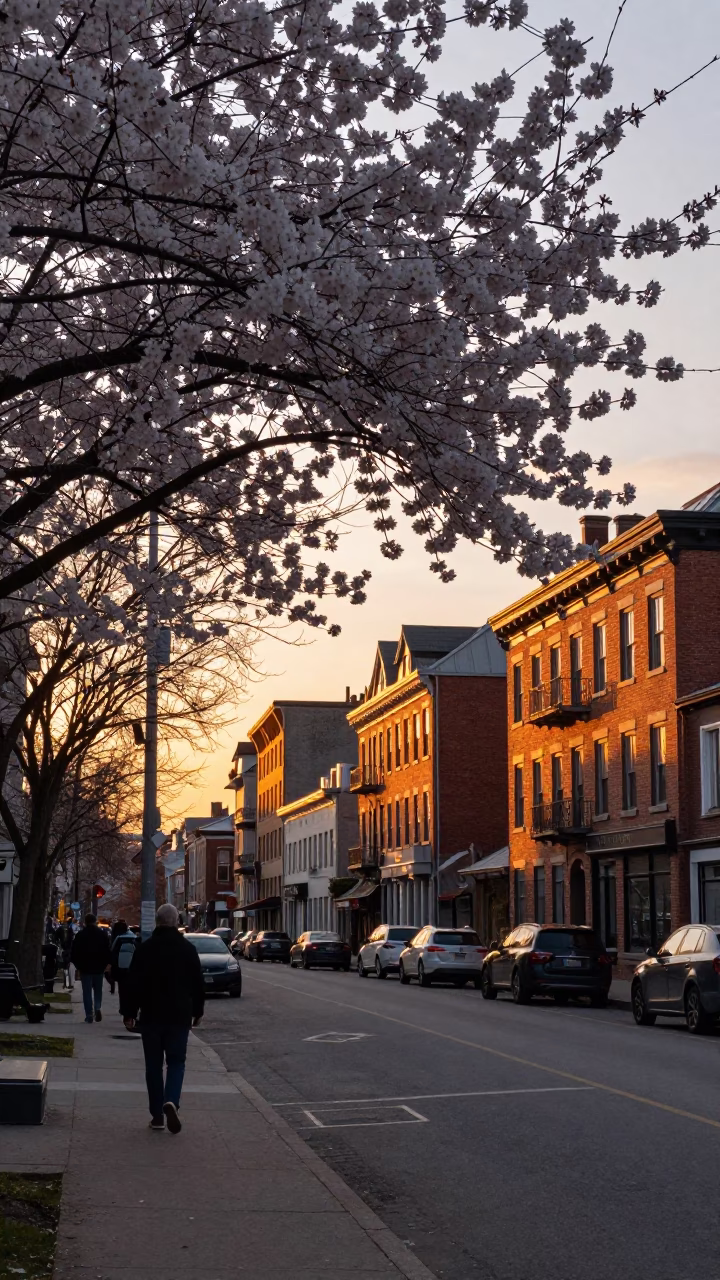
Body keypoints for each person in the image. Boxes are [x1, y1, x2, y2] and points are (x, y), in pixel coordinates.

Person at [121, 903, 204, 1134]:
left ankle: (157, 1116)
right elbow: (197, 983)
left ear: (157, 922)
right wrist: (198, 1011)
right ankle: (172, 1100)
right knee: (177, 1062)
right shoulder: (187, 949)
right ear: (176, 921)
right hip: (179, 1015)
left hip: (151, 1015)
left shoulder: (145, 949)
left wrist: (128, 1013)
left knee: (153, 1066)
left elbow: (133, 983)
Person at [70, 913, 111, 1023]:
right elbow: (107, 950)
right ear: (95, 921)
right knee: (98, 990)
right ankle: (97, 1007)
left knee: (87, 992)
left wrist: (78, 965)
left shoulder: (80, 935)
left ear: (86, 922)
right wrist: (106, 964)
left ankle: (89, 1014)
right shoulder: (102, 935)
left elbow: (74, 952)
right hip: (98, 967)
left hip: (85, 967)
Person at [109, 919, 138, 1013]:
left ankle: (123, 1008)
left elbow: (113, 952)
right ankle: (131, 1009)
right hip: (132, 968)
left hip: (120, 968)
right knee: (132, 990)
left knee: (122, 990)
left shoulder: (118, 939)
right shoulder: (133, 938)